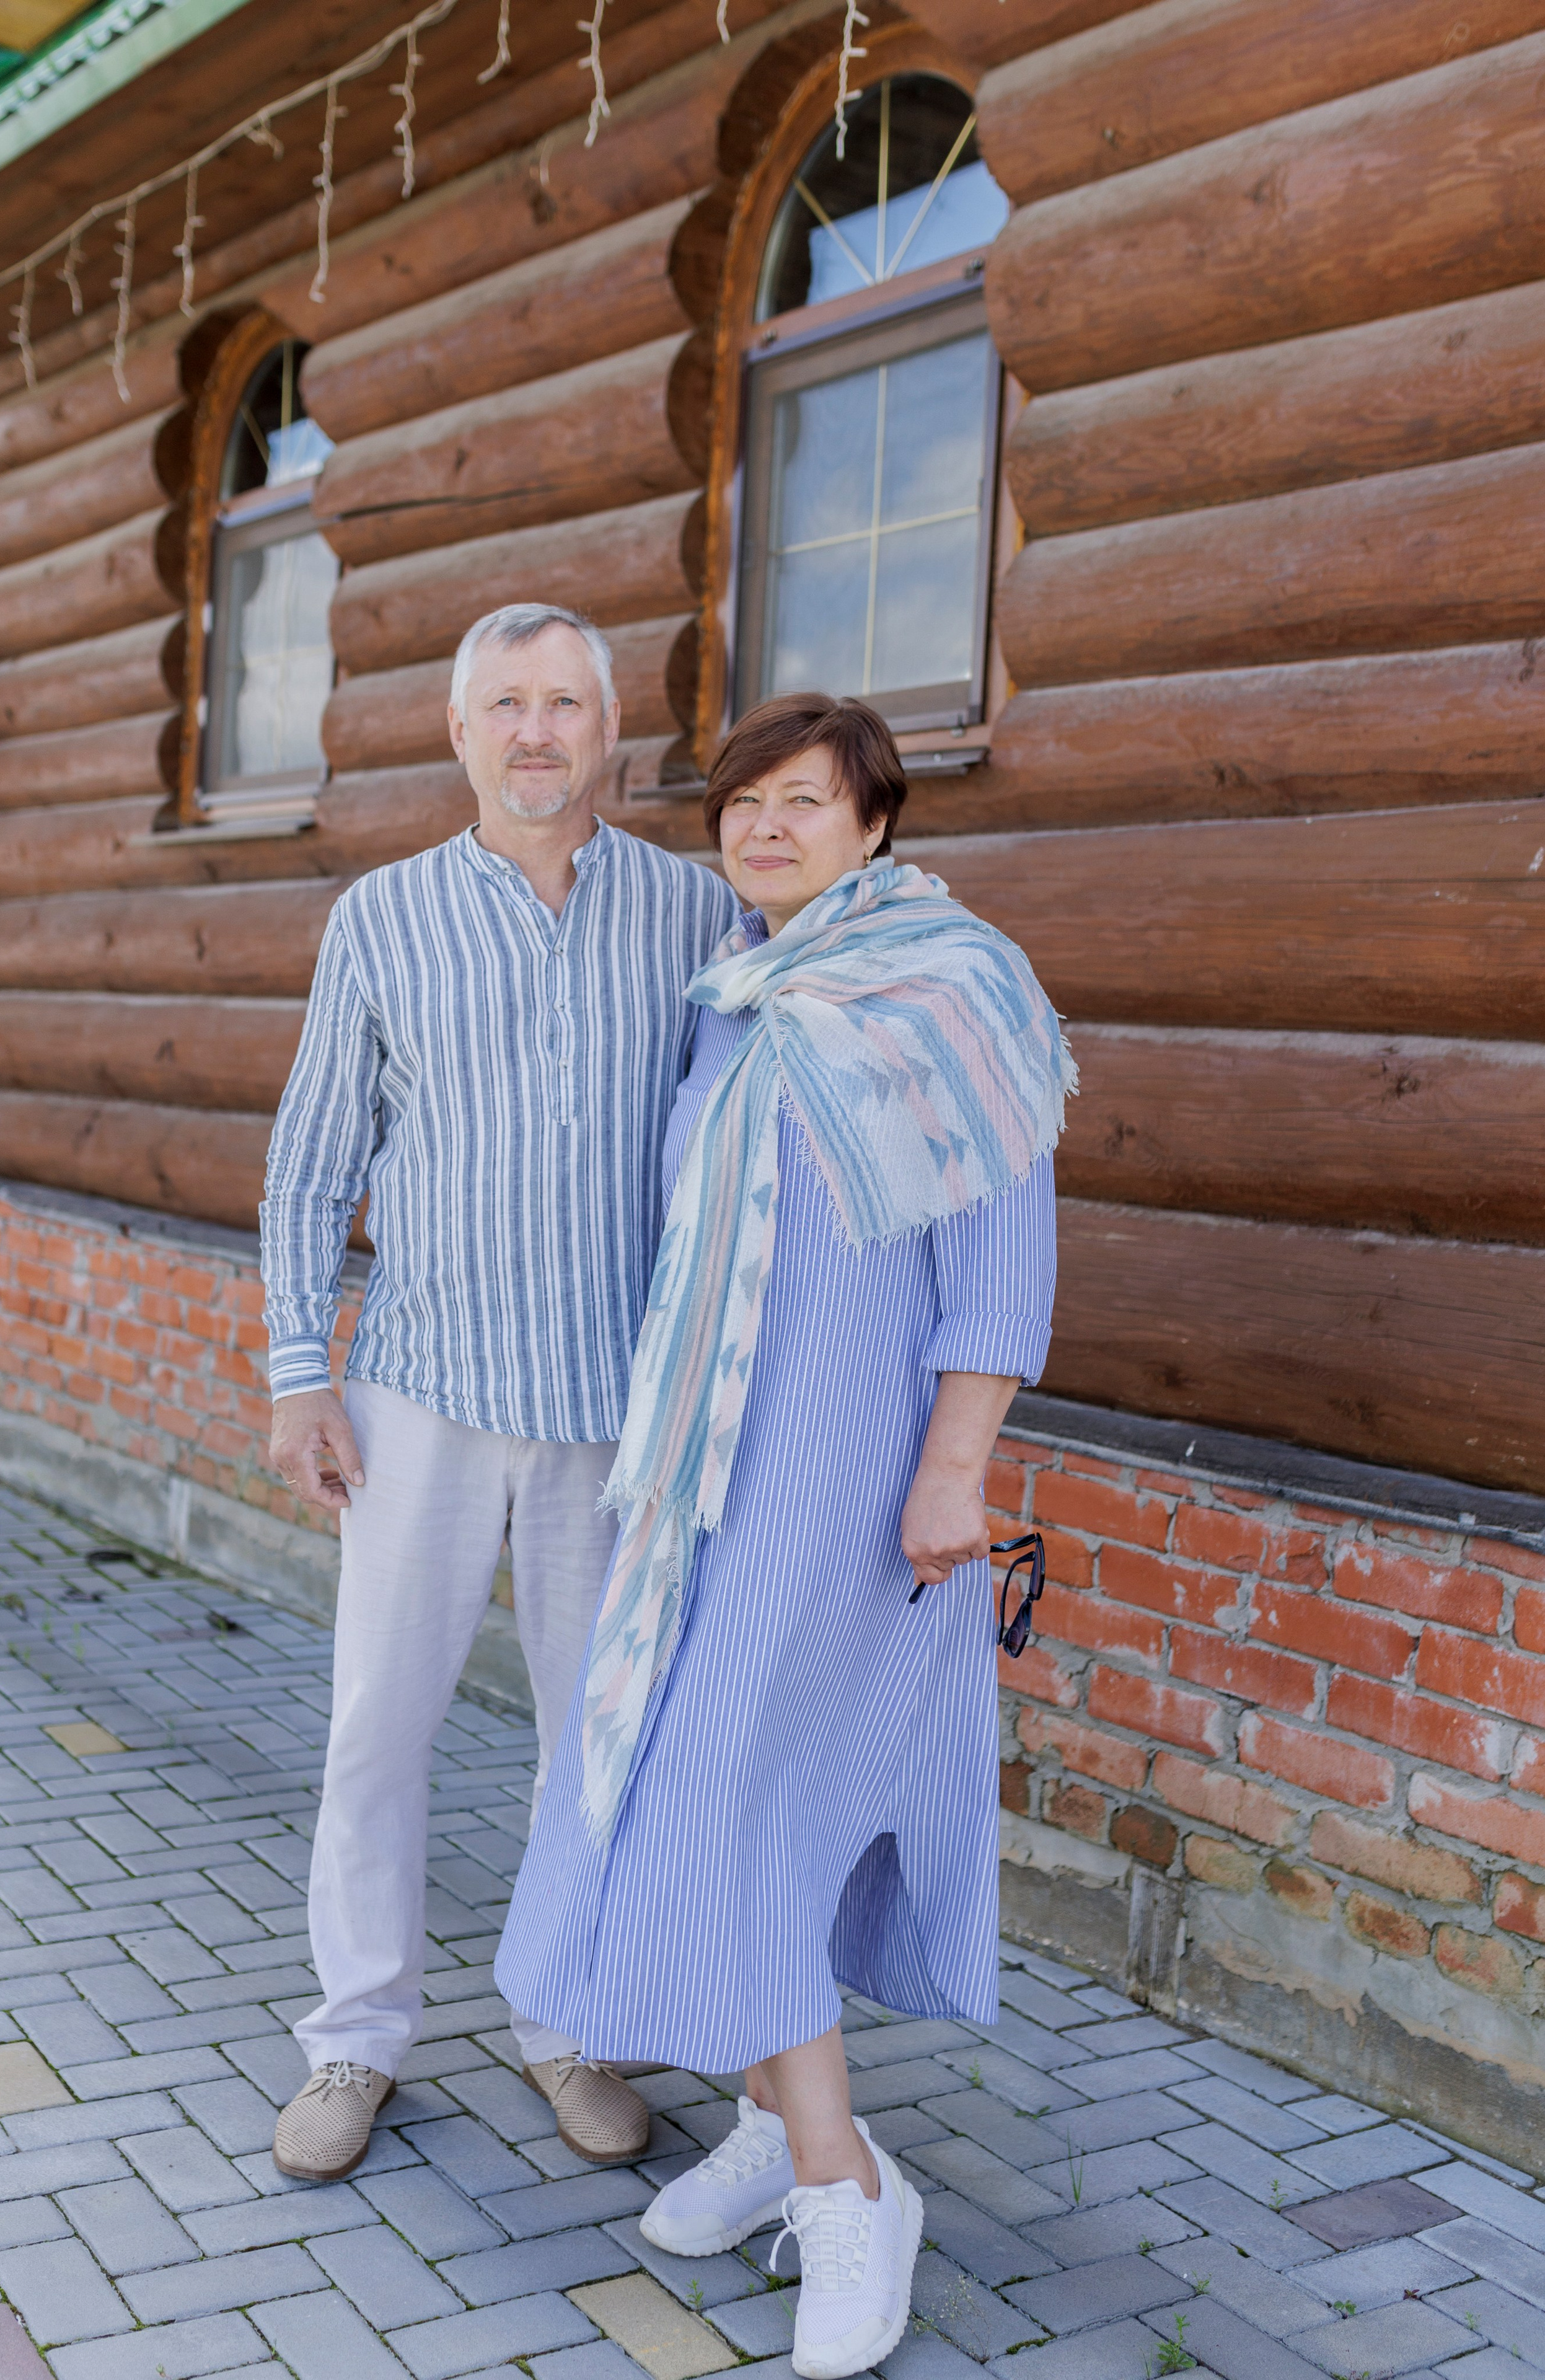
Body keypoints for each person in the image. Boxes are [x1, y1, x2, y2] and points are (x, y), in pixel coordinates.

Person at [496, 692, 1071, 2380]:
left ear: (874, 825)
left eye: (801, 802)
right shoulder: (736, 1005)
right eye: (742, 804)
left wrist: (956, 1469)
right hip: (709, 1491)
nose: (760, 829)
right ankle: (777, 2118)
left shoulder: (962, 995)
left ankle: (842, 2183)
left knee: (746, 1799)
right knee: (720, 1795)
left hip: (857, 1489)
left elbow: (1001, 1268)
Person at [260, 602, 737, 2183]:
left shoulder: (694, 913)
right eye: (505, 706)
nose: (536, 733)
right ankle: (353, 2039)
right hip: (420, 1396)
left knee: (587, 1742)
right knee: (376, 1732)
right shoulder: (379, 920)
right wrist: (295, 1375)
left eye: (565, 705)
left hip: (613, 1409)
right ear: (459, 733)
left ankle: (566, 2024)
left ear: (612, 732)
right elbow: (310, 1166)